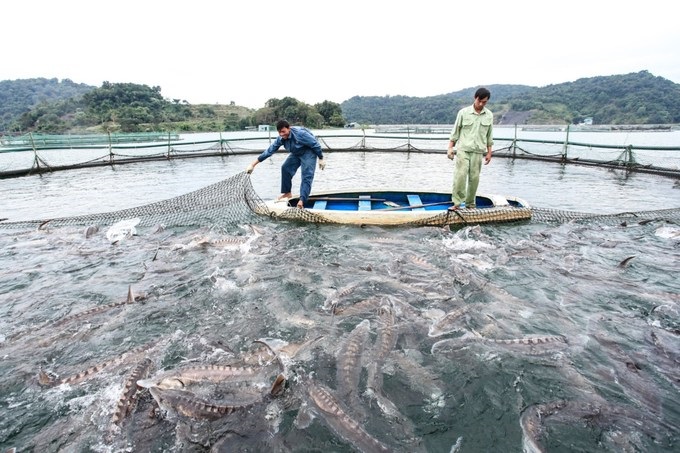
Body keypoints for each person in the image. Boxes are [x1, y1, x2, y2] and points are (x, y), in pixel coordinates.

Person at [246, 120, 325, 209]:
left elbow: (315, 145)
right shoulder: (280, 138)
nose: (281, 134)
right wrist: (253, 164)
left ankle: (302, 200)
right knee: (285, 168)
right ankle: (287, 193)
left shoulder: (300, 134)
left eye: (283, 131)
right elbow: (269, 151)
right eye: (279, 132)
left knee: (306, 175)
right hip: (296, 152)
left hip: (308, 152)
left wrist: (321, 158)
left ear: (289, 128)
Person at [447, 87, 493, 211]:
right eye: (480, 101)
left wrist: (489, 152)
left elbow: (489, 135)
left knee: (474, 178)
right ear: (475, 98)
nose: (481, 104)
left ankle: (470, 204)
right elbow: (455, 132)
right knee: (460, 176)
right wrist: (450, 147)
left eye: (484, 102)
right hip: (463, 149)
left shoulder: (489, 115)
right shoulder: (463, 113)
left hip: (478, 151)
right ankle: (457, 203)